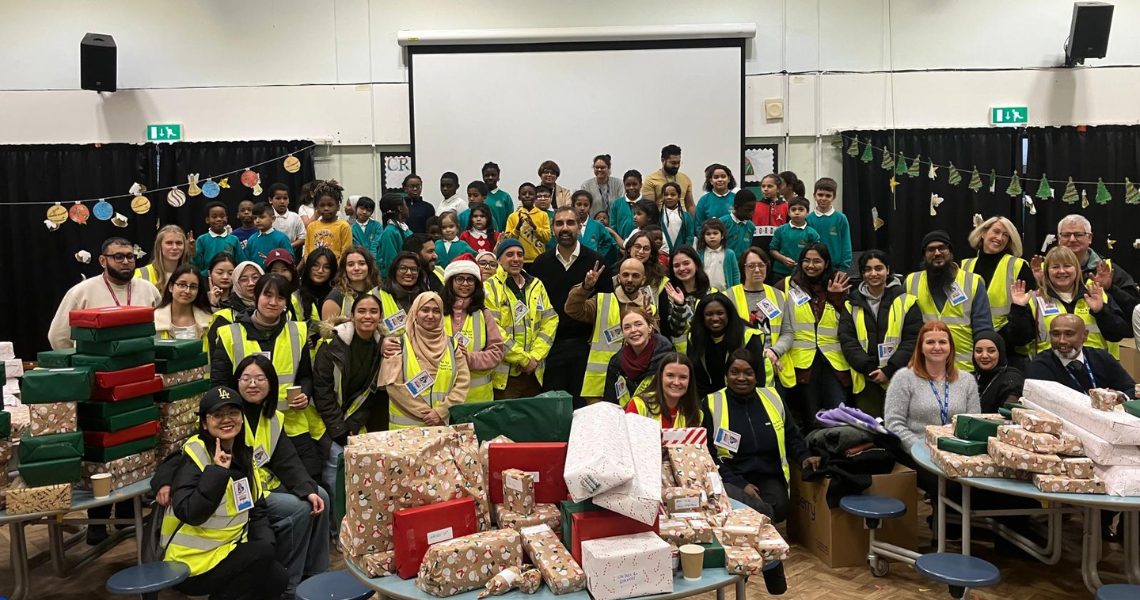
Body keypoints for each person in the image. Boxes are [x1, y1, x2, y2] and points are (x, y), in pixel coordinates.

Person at [161, 387, 288, 600]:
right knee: (262, 556)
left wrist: (267, 544)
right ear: (204, 423)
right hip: (189, 562)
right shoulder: (197, 453)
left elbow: (256, 510)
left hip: (226, 551)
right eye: (217, 415)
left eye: (233, 413)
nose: (226, 420)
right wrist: (218, 472)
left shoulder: (245, 456)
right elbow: (190, 511)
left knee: (276, 576)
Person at [230, 356, 328, 596]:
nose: (253, 384)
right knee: (299, 509)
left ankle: (315, 575)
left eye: (260, 379)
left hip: (265, 484)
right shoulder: (227, 415)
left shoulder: (271, 417)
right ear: (237, 382)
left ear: (271, 384)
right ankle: (289, 584)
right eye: (246, 378)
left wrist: (308, 489)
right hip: (240, 491)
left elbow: (287, 461)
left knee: (320, 494)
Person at [212, 274, 322, 480]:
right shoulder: (229, 334)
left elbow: (306, 376)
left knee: (311, 482)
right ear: (256, 296)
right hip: (247, 429)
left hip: (292, 425)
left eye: (281, 297)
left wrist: (305, 394)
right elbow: (219, 387)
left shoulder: (298, 331)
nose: (273, 302)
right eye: (267, 295)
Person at [703, 349, 817, 523]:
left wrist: (804, 456)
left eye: (748, 373)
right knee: (733, 498)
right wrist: (741, 485)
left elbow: (791, 435)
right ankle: (759, 516)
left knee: (779, 507)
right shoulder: (712, 402)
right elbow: (708, 453)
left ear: (756, 376)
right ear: (727, 376)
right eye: (734, 372)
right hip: (730, 477)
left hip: (768, 476)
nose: (741, 378)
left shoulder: (773, 397)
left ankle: (755, 515)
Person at [531, 207, 614, 403]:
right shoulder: (540, 264)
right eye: (559, 223)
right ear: (552, 229)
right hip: (551, 348)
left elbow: (606, 309)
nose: (565, 228)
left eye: (570, 223)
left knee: (582, 408)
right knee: (553, 409)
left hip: (585, 348)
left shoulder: (597, 262)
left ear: (579, 227)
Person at [312, 294, 384, 517]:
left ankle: (357, 525)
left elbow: (370, 394)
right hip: (325, 420)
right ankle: (336, 527)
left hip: (355, 422)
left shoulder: (382, 347)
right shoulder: (331, 345)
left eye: (373, 311)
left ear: (380, 317)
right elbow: (322, 391)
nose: (367, 316)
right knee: (336, 465)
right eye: (361, 311)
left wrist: (352, 424)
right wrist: (339, 430)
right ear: (352, 315)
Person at [772, 244, 853, 428]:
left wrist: (837, 298)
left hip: (834, 361)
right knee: (811, 417)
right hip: (801, 362)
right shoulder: (784, 285)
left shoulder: (837, 285)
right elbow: (772, 321)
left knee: (838, 414)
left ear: (826, 264)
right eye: (806, 260)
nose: (811, 265)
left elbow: (850, 323)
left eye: (817, 261)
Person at [838, 250, 922, 418]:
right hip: (866, 381)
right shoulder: (850, 303)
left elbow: (913, 340)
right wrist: (870, 369)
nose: (873, 273)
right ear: (862, 273)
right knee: (871, 432)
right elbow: (848, 341)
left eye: (879, 268)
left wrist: (889, 370)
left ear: (888, 270)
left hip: (899, 378)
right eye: (868, 269)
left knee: (899, 428)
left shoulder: (907, 301)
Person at [567, 258, 661, 401]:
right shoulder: (602, 300)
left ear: (643, 280)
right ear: (618, 277)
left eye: (635, 276)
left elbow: (657, 344)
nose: (629, 279)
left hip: (638, 387)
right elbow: (572, 309)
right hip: (599, 386)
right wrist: (585, 288)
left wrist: (649, 322)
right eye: (625, 275)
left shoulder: (650, 307)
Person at [1008, 246, 1128, 359]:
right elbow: (1019, 340)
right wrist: (1019, 309)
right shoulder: (1034, 300)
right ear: (1047, 271)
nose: (1061, 271)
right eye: (1055, 267)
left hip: (1095, 369)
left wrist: (1101, 311)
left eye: (1067, 266)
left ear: (1076, 269)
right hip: (1049, 369)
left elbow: (1118, 334)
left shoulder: (1097, 294)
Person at [49, 237, 163, 349]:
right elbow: (58, 337)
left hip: (139, 361)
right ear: (103, 261)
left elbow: (160, 330)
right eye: (118, 257)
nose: (125, 262)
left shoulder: (149, 289)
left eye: (130, 256)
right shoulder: (81, 292)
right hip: (96, 364)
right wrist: (81, 361)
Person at [904, 230, 993, 372]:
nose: (937, 253)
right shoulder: (910, 282)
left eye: (942, 248)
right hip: (924, 368)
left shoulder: (973, 282)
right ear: (924, 255)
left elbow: (983, 329)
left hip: (963, 369)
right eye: (931, 249)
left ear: (950, 251)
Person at [380, 292, 470, 428]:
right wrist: (428, 415)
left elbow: (463, 382)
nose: (430, 316)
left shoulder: (452, 345)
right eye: (425, 310)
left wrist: (441, 412)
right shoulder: (398, 344)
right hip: (405, 432)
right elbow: (393, 386)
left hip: (440, 427)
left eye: (436, 311)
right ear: (415, 312)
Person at [484, 240, 558, 399]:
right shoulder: (490, 287)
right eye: (509, 254)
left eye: (520, 254)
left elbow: (550, 320)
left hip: (534, 373)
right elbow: (493, 330)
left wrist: (535, 356)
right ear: (499, 259)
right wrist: (523, 359)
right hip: (505, 376)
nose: (515, 259)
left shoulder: (536, 285)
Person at [961, 216, 1035, 364]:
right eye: (996, 232)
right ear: (983, 233)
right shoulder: (964, 266)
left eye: (1006, 235)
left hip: (1008, 352)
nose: (1000, 238)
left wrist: (994, 342)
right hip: (967, 348)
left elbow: (1028, 320)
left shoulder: (1018, 266)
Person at [1049, 214, 1140, 319]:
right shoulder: (1043, 270)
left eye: (1078, 234)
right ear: (1059, 238)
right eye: (1066, 235)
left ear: (1090, 237)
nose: (1072, 239)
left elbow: (1135, 309)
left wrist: (1110, 288)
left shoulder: (1108, 270)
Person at [441, 259, 505, 404]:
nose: (465, 284)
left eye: (470, 279)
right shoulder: (437, 311)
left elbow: (496, 352)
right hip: (442, 397)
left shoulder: (483, 313)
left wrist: (468, 358)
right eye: (460, 278)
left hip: (477, 398)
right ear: (450, 281)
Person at [1026, 313, 1135, 396]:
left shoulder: (1101, 357)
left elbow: (1132, 389)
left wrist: (1120, 396)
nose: (1062, 340)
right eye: (1056, 334)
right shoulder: (1041, 365)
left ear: (1084, 335)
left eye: (1069, 334)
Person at [687, 293, 769, 397]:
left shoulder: (749, 337)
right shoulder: (694, 338)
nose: (715, 318)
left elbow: (759, 379)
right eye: (709, 314)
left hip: (748, 396)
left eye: (720, 313)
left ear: (729, 314)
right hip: (711, 397)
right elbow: (697, 380)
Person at [603, 308, 675, 406]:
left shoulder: (668, 359)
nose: (633, 330)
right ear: (623, 333)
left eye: (638, 324)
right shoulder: (616, 363)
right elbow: (610, 404)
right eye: (627, 327)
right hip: (626, 419)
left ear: (650, 328)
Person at [626, 352, 703, 429]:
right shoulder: (639, 405)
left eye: (683, 377)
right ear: (661, 376)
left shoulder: (696, 415)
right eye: (670, 376)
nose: (676, 382)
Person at [662, 245, 711, 353]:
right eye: (676, 265)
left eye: (686, 263)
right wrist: (679, 305)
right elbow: (675, 331)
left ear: (696, 265)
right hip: (680, 357)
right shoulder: (668, 295)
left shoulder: (712, 293)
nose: (682, 269)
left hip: (708, 354)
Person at [372, 251, 429, 334]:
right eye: (403, 268)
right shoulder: (376, 295)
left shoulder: (427, 297)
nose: (409, 273)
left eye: (413, 269)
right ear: (394, 270)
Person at [320, 247, 381, 320]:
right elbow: (326, 330)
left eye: (361, 263)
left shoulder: (380, 293)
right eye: (350, 264)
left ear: (369, 267)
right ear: (344, 269)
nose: (356, 268)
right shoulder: (335, 297)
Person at [769, 197, 821, 281]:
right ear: (789, 212)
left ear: (807, 212)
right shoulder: (781, 230)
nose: (797, 212)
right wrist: (783, 259)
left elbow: (815, 253)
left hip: (803, 272)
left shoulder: (812, 233)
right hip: (780, 272)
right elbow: (772, 250)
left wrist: (804, 263)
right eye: (793, 210)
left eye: (801, 209)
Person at [805, 178, 851, 272]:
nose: (824, 198)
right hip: (813, 268)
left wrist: (844, 267)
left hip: (836, 269)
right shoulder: (808, 219)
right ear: (814, 196)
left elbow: (846, 243)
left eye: (828, 196)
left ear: (834, 197)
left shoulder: (840, 218)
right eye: (820, 195)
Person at [155, 264, 212, 340]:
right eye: (182, 285)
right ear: (171, 287)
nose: (187, 291)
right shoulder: (154, 319)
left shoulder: (209, 320)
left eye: (193, 287)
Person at [972, 330, 1024, 413]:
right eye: (979, 351)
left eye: (991, 351)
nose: (984, 356)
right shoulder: (970, 377)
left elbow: (1009, 414)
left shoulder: (1012, 380)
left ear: (1001, 352)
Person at [504, 182, 552, 268]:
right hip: (518, 260)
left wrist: (535, 227)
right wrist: (517, 229)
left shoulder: (543, 215)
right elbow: (507, 240)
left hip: (538, 259)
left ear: (535, 197)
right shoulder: (513, 216)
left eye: (530, 194)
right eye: (524, 194)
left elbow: (547, 238)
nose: (527, 196)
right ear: (519, 197)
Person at [303, 180, 353, 261]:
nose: (326, 208)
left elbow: (345, 253)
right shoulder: (311, 227)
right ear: (317, 207)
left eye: (330, 205)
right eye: (322, 205)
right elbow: (307, 251)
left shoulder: (344, 227)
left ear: (337, 206)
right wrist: (311, 266)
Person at [137, 224, 195, 290]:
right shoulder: (139, 274)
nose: (175, 247)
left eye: (179, 243)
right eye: (169, 243)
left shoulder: (192, 275)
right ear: (159, 246)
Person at [642, 144, 695, 215]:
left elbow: (690, 206)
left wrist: (691, 223)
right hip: (660, 221)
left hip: (682, 220)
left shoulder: (685, 179)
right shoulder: (651, 180)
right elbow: (648, 208)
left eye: (678, 162)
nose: (676, 166)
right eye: (673, 163)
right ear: (663, 160)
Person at [192, 201, 240, 276]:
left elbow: (240, 262)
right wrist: (193, 251)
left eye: (222, 216)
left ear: (226, 218)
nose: (219, 219)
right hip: (207, 279)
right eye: (214, 217)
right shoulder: (202, 239)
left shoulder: (234, 239)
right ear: (207, 220)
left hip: (229, 279)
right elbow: (198, 265)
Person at [570, 190, 618, 264]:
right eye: (579, 204)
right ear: (573, 205)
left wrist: (599, 254)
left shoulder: (597, 225)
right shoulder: (569, 225)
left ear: (590, 207)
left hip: (592, 263)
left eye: (586, 205)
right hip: (572, 262)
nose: (582, 208)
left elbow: (608, 240)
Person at [242, 202, 293, 269]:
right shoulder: (251, 239)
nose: (257, 221)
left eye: (262, 217)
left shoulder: (281, 238)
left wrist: (273, 260)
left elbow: (290, 260)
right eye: (255, 218)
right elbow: (246, 262)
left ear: (273, 219)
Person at [297, 247, 336, 326]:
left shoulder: (337, 295)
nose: (320, 271)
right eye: (315, 265)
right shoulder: (295, 294)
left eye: (326, 267)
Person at [752, 173, 788, 256]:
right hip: (758, 249)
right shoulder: (755, 206)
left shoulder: (786, 207)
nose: (765, 189)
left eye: (770, 186)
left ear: (778, 188)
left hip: (779, 249)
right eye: (763, 186)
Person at [696, 219, 738, 291]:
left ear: (722, 235)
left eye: (715, 233)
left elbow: (735, 275)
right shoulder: (699, 254)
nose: (712, 236)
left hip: (726, 292)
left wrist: (736, 290)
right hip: (705, 293)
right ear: (703, 237)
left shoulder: (729, 254)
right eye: (708, 234)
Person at [376, 192, 412, 275]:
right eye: (405, 205)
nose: (408, 208)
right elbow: (391, 262)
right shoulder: (390, 232)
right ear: (400, 208)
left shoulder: (406, 230)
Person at [720, 188, 758, 262]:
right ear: (737, 207)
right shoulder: (722, 223)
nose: (751, 213)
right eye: (748, 210)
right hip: (725, 263)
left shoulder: (751, 227)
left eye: (753, 210)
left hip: (742, 266)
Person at [268, 183, 306, 255]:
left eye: (285, 198)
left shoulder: (295, 217)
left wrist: (288, 246)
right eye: (278, 198)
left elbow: (303, 238)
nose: (282, 201)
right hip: (269, 254)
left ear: (288, 200)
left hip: (290, 254)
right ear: (270, 200)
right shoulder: (266, 217)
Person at [659, 182, 695, 253]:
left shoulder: (686, 216)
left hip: (682, 253)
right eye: (666, 195)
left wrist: (685, 250)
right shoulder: (658, 216)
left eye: (673, 195)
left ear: (679, 196)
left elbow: (690, 236)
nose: (669, 197)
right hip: (663, 253)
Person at [609, 169, 642, 240]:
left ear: (641, 185)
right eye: (628, 185)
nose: (631, 188)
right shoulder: (617, 204)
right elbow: (613, 227)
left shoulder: (647, 203)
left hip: (642, 246)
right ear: (624, 185)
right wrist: (618, 247)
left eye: (634, 184)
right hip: (620, 246)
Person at [482, 162, 515, 232]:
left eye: (493, 175)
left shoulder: (505, 197)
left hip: (500, 236)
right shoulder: (479, 196)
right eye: (487, 175)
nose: (490, 177)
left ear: (498, 177)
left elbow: (510, 220)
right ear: (483, 177)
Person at [350, 196, 382, 260]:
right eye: (362, 208)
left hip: (376, 260)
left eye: (368, 210)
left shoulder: (377, 226)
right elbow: (356, 246)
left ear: (371, 213)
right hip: (359, 259)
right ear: (356, 209)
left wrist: (372, 259)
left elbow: (376, 244)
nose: (364, 212)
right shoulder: (351, 228)